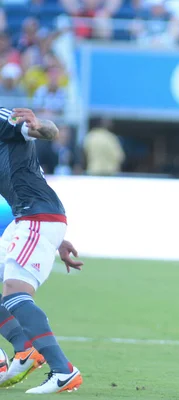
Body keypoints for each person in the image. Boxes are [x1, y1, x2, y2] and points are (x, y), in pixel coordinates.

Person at [0, 107, 83, 393]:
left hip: (37, 216)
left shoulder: (1, 118)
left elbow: (48, 130)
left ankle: (63, 370)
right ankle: (24, 350)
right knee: (13, 292)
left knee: (15, 292)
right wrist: (57, 240)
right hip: (27, 218)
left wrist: (39, 124)